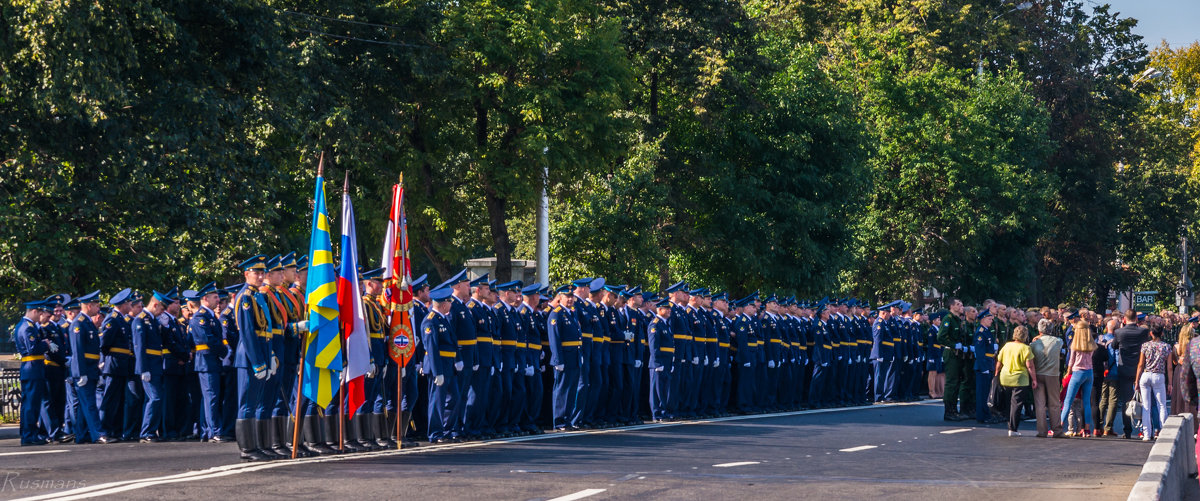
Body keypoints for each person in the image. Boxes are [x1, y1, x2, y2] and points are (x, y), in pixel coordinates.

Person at [1113, 310, 1150, 439]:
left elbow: (1114, 346)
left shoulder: (1119, 332)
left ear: (1124, 319)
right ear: (1136, 318)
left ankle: (1127, 430)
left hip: (1124, 369)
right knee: (1143, 399)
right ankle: (1144, 429)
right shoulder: (1143, 331)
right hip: (1139, 368)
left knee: (1126, 401)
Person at [995, 325, 1036, 436]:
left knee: (1008, 403)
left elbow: (999, 362)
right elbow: (1030, 366)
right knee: (1017, 404)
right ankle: (1013, 428)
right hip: (1020, 378)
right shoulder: (1025, 348)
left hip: (1005, 376)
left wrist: (996, 375)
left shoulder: (1007, 346)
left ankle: (1009, 424)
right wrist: (1034, 379)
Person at [1135, 325, 1174, 441]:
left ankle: (1146, 434)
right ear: (1162, 333)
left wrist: (1136, 380)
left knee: (1146, 406)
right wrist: (1170, 383)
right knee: (1161, 405)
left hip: (1146, 375)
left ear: (1151, 333)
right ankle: (1163, 432)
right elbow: (1169, 367)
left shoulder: (1145, 346)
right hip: (1159, 375)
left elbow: (1140, 365)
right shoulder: (1166, 347)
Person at [1059, 320, 1097, 437]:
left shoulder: (1075, 345)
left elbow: (1071, 361)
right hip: (1089, 372)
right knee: (1086, 402)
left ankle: (1058, 426)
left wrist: (1068, 372)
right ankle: (1086, 430)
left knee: (1068, 400)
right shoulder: (1092, 344)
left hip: (1077, 372)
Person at [1029, 319, 1062, 438]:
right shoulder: (1057, 341)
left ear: (1039, 330)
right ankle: (1057, 430)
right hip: (1052, 374)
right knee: (1054, 403)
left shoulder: (1034, 344)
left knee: (1040, 404)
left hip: (1038, 373)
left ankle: (1042, 431)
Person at [1171, 321, 1193, 415]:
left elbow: (1174, 362)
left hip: (1179, 370)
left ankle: (1178, 413)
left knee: (1178, 395)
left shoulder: (1176, 347)